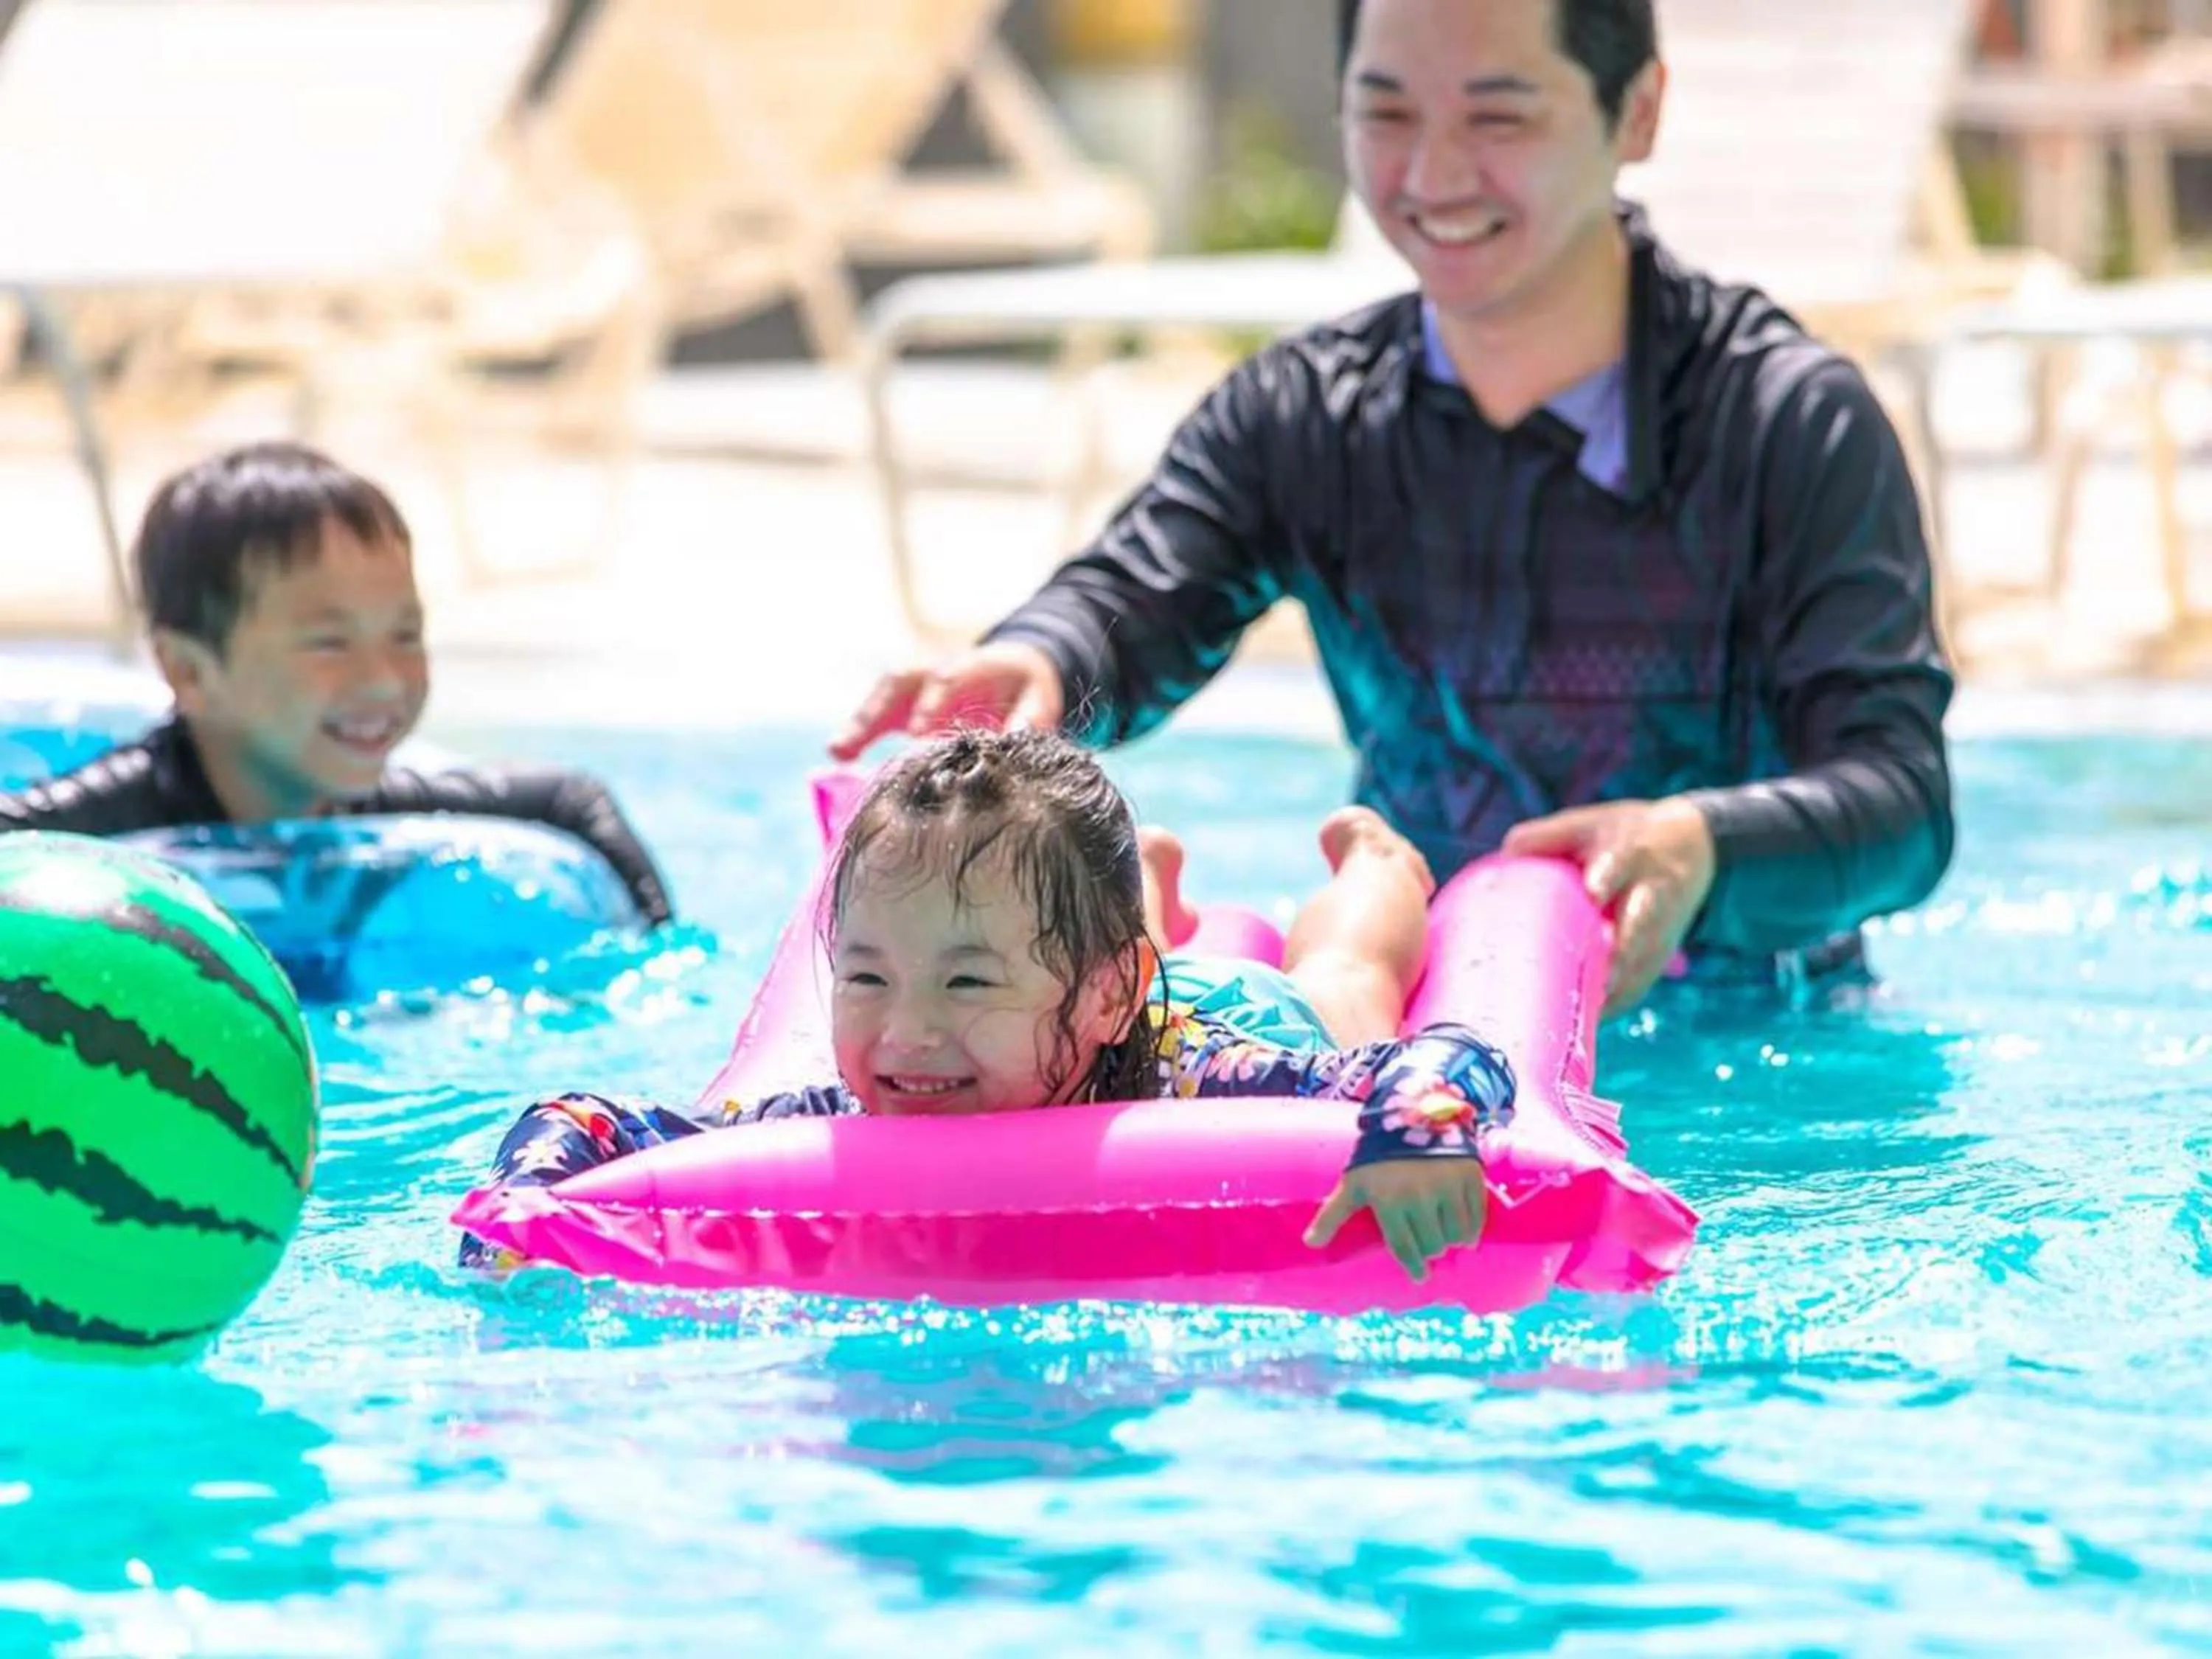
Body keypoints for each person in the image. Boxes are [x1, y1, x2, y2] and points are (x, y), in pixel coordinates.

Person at [830, 0, 1955, 1015]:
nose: (1432, 173)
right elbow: (1140, 587)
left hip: (1753, 1032)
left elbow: (1901, 805)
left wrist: (1704, 843)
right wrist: (1040, 660)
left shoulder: (1790, 426)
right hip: (1422, 1044)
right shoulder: (1307, 417)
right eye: (1386, 113)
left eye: (1498, 118)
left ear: (1638, 111)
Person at [462, 728, 1514, 1282]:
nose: (907, 1033)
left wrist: (1418, 1131)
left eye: (962, 982)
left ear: (1109, 991)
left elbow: (1454, 1056)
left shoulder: (1208, 1076)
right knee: (1043, 926)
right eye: (868, 978)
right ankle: (1134, 890)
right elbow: (591, 1120)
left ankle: (1377, 867)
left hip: (1228, 1011)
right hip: (1085, 980)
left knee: (1348, 976)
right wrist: (520, 1210)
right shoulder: (839, 1113)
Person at [1, 442, 674, 925]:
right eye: (329, 643)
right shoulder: (119, 815)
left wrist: (658, 933)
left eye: (405, 636)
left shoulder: (380, 811)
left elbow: (568, 798)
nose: (383, 680)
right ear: (189, 670)